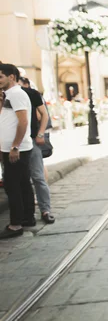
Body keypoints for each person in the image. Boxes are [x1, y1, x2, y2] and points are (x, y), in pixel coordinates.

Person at [0, 64, 35, 239]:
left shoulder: (17, 95)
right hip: (12, 148)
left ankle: (15, 225)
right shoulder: (9, 95)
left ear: (11, 77)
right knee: (22, 184)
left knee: (12, 186)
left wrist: (14, 146)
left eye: (0, 77)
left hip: (16, 149)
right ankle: (28, 218)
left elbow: (23, 122)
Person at [17, 77, 55, 224]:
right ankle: (26, 214)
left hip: (31, 140)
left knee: (38, 177)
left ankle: (45, 210)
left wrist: (40, 134)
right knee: (19, 180)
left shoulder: (31, 94)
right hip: (10, 143)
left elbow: (42, 114)